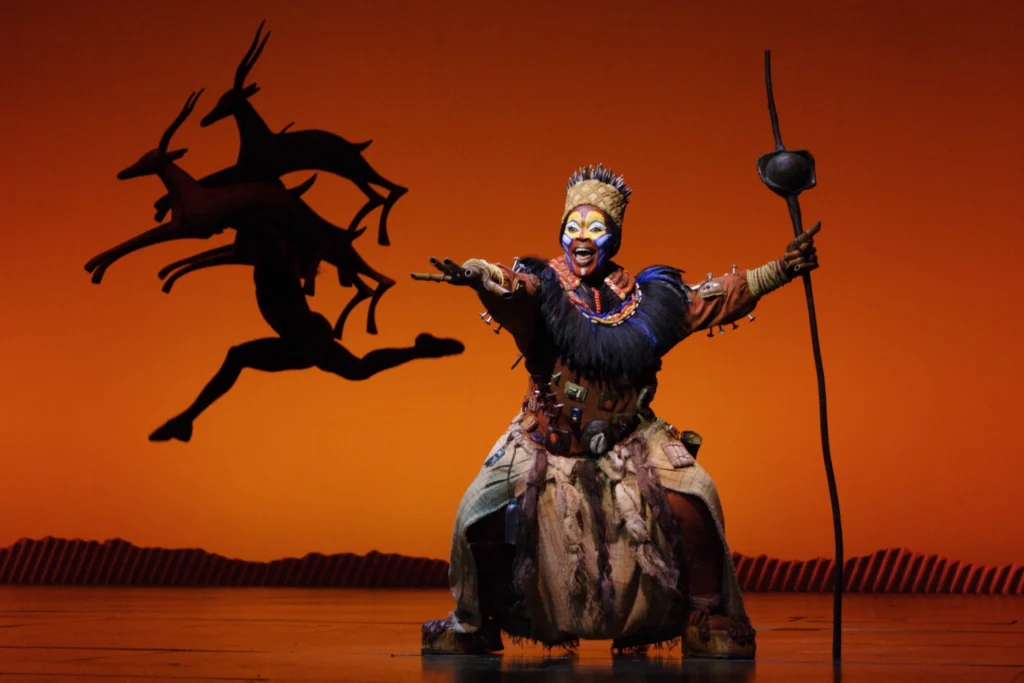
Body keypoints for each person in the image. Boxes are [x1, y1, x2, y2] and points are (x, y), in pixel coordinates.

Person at [416, 164, 819, 658]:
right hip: (548, 437)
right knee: (476, 512)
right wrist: (481, 274)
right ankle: (475, 621)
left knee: (697, 497)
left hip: (630, 436)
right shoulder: (543, 290)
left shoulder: (647, 300)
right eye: (572, 227)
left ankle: (705, 616)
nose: (581, 238)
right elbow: (512, 290)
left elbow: (708, 301)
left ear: (614, 235)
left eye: (595, 228)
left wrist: (780, 269)